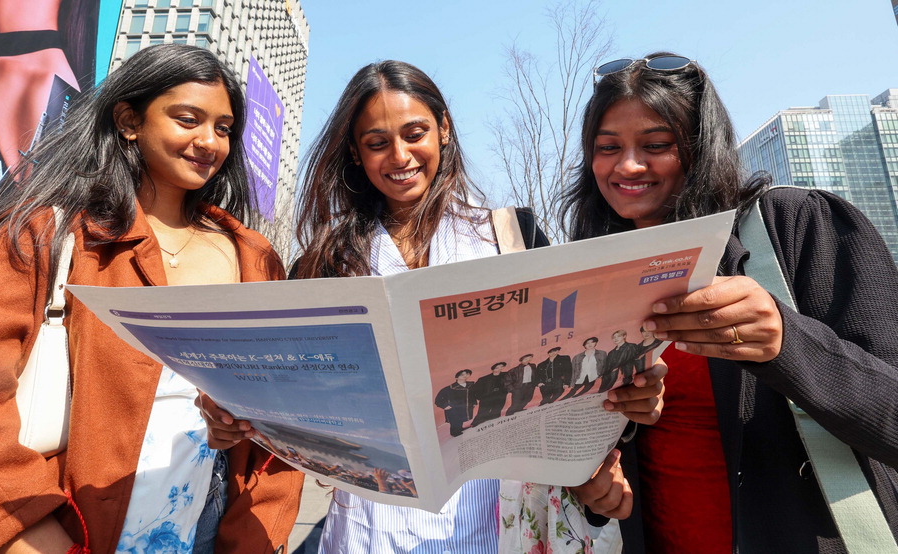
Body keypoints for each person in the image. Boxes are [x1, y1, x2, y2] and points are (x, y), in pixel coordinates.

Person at [204, 60, 666, 553]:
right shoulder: (324, 264)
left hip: (494, 525)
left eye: (415, 134)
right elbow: (290, 397)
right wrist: (234, 409)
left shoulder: (511, 239)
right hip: (367, 529)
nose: (400, 156)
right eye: (377, 143)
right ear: (356, 153)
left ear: (443, 128)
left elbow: (569, 376)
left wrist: (624, 407)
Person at [0, 44, 303, 553]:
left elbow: (280, 435)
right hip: (62, 529)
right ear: (129, 121)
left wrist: (236, 427)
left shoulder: (255, 259)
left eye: (223, 128)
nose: (209, 142)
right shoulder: (43, 236)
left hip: (203, 528)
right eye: (188, 119)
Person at [554, 52, 898, 552]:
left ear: (700, 147)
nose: (627, 165)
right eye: (608, 147)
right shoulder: (590, 278)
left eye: (656, 144)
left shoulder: (798, 225)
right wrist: (594, 482)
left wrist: (786, 342)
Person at [434, 369, 478, 437]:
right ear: (457, 377)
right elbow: (438, 399)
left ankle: (460, 428)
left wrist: (474, 402)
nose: (465, 376)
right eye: (462, 375)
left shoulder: (470, 385)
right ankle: (454, 433)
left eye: (466, 374)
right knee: (455, 421)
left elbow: (472, 395)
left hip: (465, 406)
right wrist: (445, 406)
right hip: (454, 409)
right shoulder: (449, 388)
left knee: (462, 418)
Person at [471, 361, 511, 425]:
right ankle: (475, 425)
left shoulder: (506, 375)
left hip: (500, 396)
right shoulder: (484, 379)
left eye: (501, 367)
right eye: (497, 367)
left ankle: (493, 424)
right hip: (487, 397)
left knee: (497, 411)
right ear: (493, 369)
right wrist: (481, 397)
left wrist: (506, 391)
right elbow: (474, 389)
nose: (500, 369)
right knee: (483, 412)